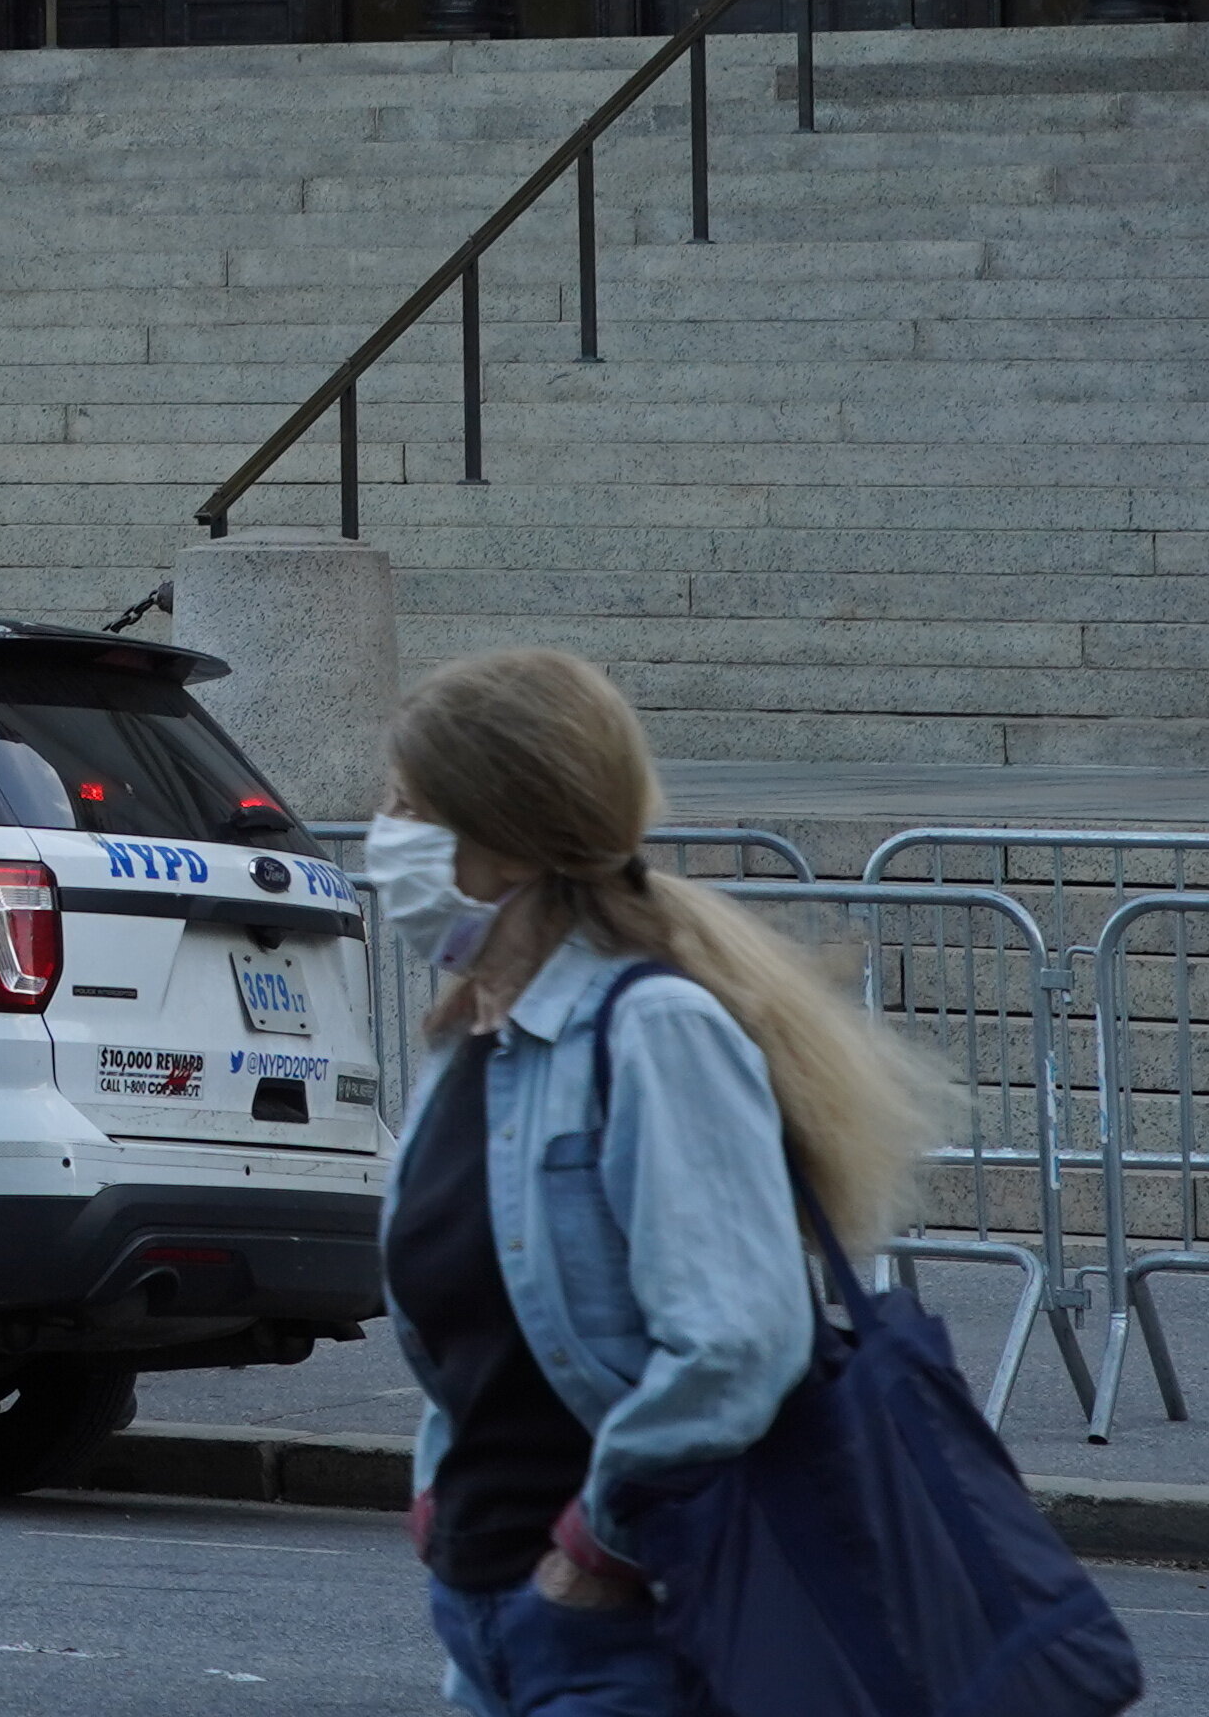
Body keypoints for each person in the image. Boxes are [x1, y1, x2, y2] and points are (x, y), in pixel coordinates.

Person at [376, 647, 955, 1717]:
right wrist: (439, 1502)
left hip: (632, 1624)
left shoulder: (652, 1030)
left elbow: (738, 1336)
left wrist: (596, 1545)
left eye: (409, 807)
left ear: (501, 839)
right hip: (486, 1610)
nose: (382, 835)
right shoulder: (474, 1043)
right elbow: (463, 1334)